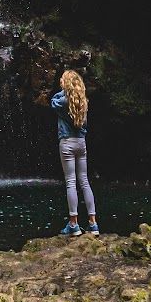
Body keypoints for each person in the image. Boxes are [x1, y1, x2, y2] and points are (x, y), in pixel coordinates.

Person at [50, 69, 98, 236]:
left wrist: (64, 90)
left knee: (71, 181)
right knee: (84, 181)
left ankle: (73, 224)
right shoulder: (84, 101)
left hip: (67, 143)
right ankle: (93, 223)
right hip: (81, 143)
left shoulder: (62, 101)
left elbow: (52, 101)